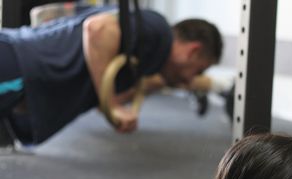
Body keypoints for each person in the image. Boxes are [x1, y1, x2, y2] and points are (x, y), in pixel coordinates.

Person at [0, 4, 222, 145]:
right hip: (17, 63)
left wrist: (118, 105)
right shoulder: (160, 31)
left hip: (19, 66)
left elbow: (102, 101)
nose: (192, 80)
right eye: (199, 70)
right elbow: (97, 29)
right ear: (194, 50)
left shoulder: (149, 57)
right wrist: (114, 105)